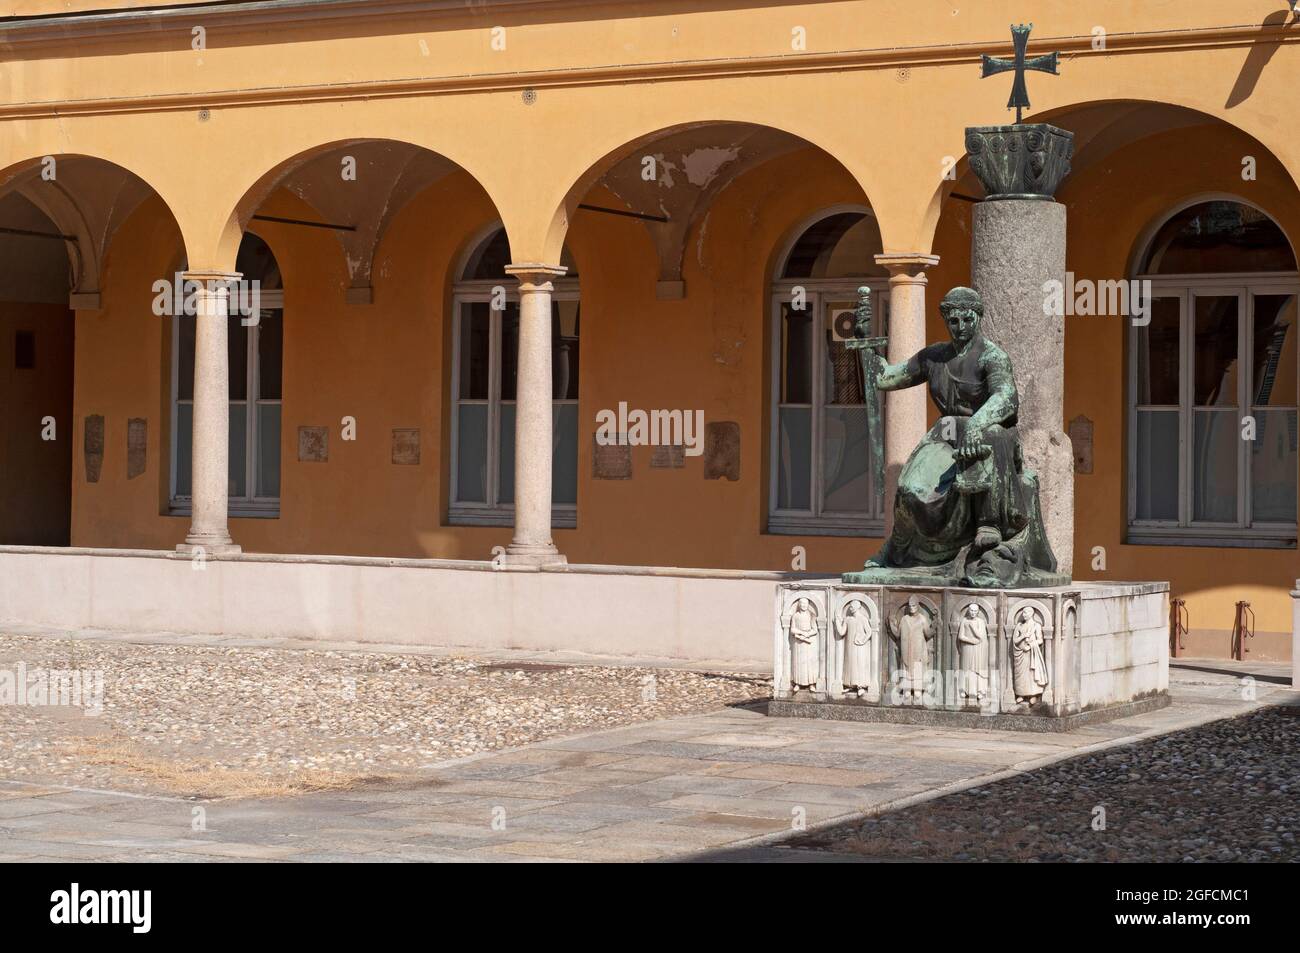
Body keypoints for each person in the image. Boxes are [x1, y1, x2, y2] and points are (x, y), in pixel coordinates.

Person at [853, 287, 1059, 588]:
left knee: (985, 446)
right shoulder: (934, 356)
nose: (960, 327)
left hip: (990, 433)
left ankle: (988, 529)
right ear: (946, 321)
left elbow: (1007, 396)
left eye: (966, 319)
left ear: (978, 318)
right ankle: (900, 551)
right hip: (946, 435)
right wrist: (864, 342)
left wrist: (977, 423)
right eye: (953, 321)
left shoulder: (992, 356)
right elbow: (885, 378)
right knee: (911, 487)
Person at [788, 597, 819, 692]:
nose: (803, 605)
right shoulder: (795, 616)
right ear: (799, 604)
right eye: (802, 603)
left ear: (808, 604)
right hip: (798, 642)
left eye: (805, 603)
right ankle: (797, 683)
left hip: (809, 642)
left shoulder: (811, 615)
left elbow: (815, 630)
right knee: (799, 663)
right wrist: (801, 633)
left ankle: (811, 684)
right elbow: (792, 629)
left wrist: (807, 634)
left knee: (809, 663)